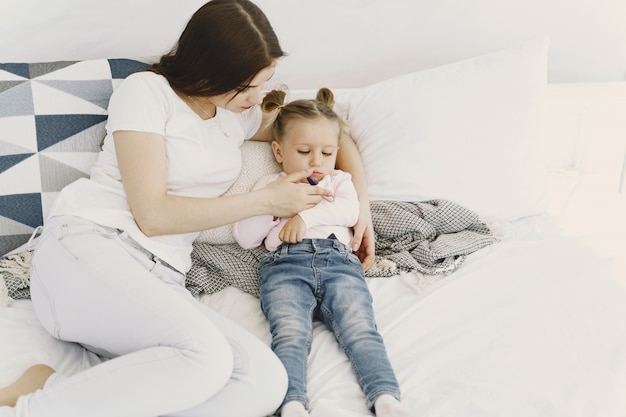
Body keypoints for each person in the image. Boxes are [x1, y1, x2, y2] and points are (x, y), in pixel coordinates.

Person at [0, 1, 375, 417]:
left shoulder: (239, 115)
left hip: (160, 278)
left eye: (262, 83)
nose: (258, 97)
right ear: (209, 71)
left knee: (264, 381)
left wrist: (363, 209)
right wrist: (266, 201)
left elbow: (328, 128)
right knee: (207, 357)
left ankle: (56, 389)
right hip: (92, 247)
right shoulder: (147, 92)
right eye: (244, 86)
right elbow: (153, 215)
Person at [232, 88, 409, 417]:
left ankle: (385, 396)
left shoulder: (339, 181)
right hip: (284, 266)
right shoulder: (269, 186)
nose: (316, 161)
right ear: (279, 151)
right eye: (304, 151)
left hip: (338, 262)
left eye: (327, 153)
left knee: (359, 327)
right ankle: (292, 402)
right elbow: (244, 237)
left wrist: (303, 216)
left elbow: (349, 211)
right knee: (289, 332)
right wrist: (271, 206)